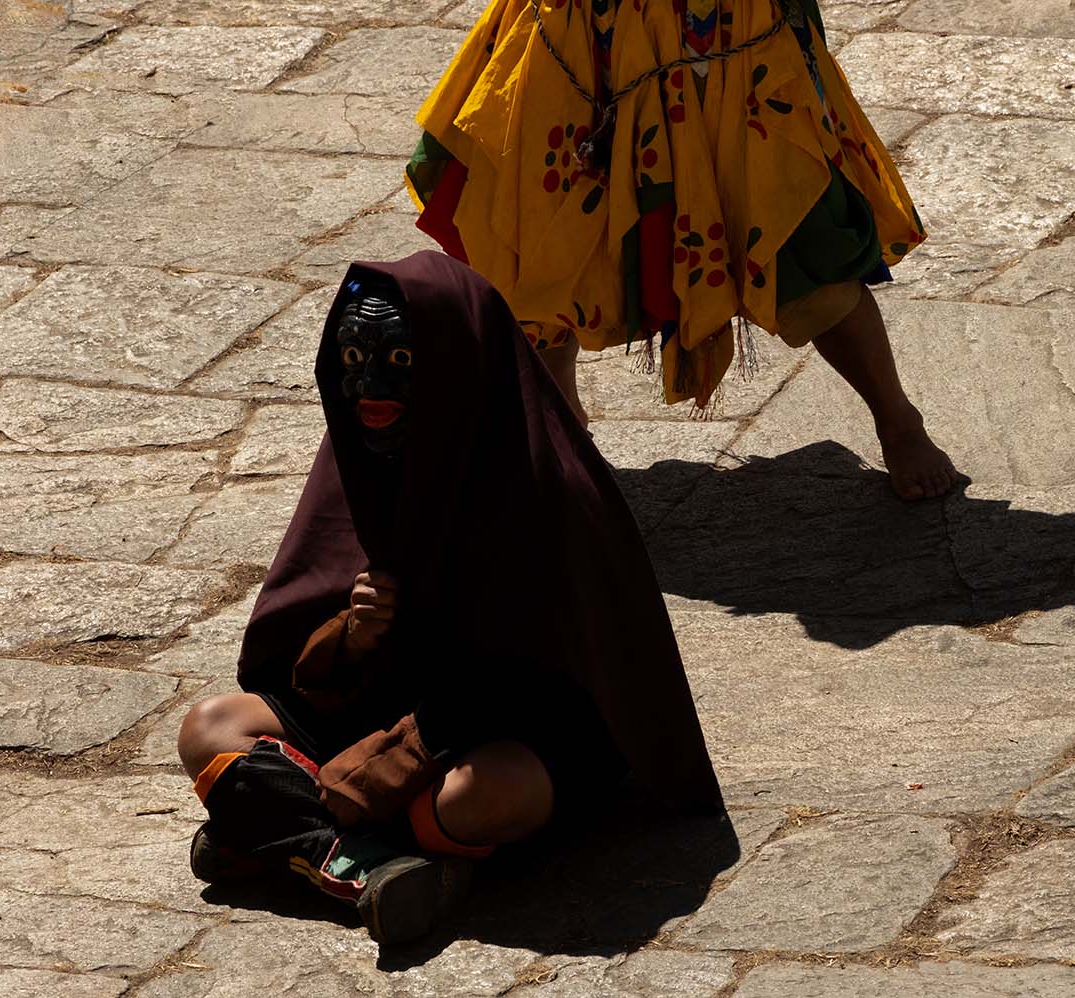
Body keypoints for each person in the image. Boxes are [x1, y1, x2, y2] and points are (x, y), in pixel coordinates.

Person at [176, 253, 723, 944]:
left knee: (475, 798)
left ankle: (280, 830)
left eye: (398, 358)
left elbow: (558, 683)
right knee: (210, 727)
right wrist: (353, 632)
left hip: (506, 736)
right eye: (351, 357)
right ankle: (357, 861)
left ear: (453, 363)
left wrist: (396, 757)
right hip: (373, 708)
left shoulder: (546, 487)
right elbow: (301, 645)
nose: (367, 386)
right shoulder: (360, 453)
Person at [405, 0, 959, 500]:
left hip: (727, 38)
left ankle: (897, 419)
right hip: (580, 37)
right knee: (543, 247)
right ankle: (563, 433)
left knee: (797, 242)